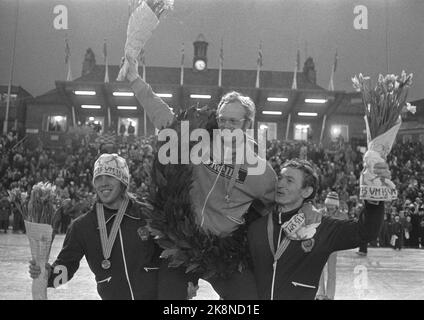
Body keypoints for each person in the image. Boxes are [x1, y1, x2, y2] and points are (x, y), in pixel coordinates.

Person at [124, 56, 277, 299]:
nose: (226, 125)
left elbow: (280, 203)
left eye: (233, 121)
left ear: (248, 123)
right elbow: (165, 118)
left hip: (225, 252)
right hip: (182, 244)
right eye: (223, 118)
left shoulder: (261, 171)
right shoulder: (197, 141)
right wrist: (135, 80)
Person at [248, 159, 388, 300]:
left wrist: (373, 196)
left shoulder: (321, 227)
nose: (280, 183)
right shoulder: (256, 225)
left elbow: (365, 232)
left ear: (306, 191)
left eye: (289, 180)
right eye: (280, 178)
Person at [29, 153, 161, 300]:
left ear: (123, 181)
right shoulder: (82, 227)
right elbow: (66, 268)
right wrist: (48, 275)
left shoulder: (148, 214)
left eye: (110, 176)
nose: (103, 183)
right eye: (98, 178)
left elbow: (170, 257)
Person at [316, 191, 348, 300]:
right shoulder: (319, 213)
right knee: (319, 270)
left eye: (332, 204)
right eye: (328, 204)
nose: (329, 207)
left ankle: (329, 295)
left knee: (331, 271)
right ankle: (320, 294)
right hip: (320, 245)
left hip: (333, 246)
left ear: (336, 204)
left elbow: (346, 231)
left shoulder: (342, 216)